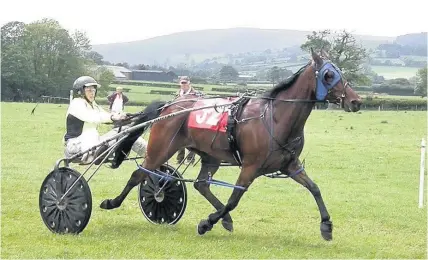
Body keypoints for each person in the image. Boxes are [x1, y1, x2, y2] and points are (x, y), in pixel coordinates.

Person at [64, 76, 147, 164]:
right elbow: (93, 117)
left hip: (91, 143)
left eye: (93, 90)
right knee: (126, 132)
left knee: (129, 131)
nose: (92, 93)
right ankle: (152, 156)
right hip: (76, 147)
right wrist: (113, 118)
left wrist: (125, 116)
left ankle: (151, 154)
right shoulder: (76, 103)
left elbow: (105, 114)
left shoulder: (93, 104)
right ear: (80, 91)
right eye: (89, 90)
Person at [175, 76, 200, 164]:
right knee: (179, 138)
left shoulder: (197, 94)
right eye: (182, 83)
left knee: (191, 139)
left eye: (185, 83)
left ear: (189, 83)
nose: (184, 84)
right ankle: (180, 159)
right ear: (180, 84)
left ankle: (190, 160)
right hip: (179, 119)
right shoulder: (177, 94)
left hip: (191, 119)